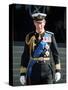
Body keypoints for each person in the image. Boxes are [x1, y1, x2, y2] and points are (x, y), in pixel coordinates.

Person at [20, 13, 61, 85]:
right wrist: (22, 73)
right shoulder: (29, 36)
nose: (39, 25)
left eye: (41, 23)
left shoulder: (50, 35)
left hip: (47, 70)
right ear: (34, 23)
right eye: (37, 23)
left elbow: (55, 54)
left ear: (44, 23)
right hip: (34, 70)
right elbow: (25, 55)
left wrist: (58, 70)